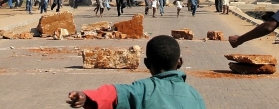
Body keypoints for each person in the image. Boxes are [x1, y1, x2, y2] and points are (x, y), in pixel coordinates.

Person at [66, 35, 206, 109]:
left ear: (146, 63)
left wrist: (86, 96)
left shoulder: (142, 89)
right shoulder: (195, 95)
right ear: (180, 62)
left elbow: (113, 94)